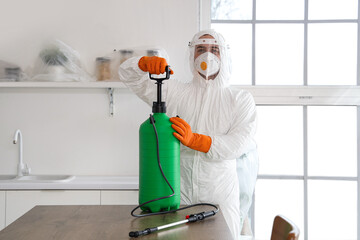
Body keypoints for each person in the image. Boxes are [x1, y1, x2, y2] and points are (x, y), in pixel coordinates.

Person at [118, 29, 258, 239]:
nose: (207, 55)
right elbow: (128, 76)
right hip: (178, 193)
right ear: (191, 54)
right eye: (201, 49)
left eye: (214, 50)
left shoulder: (239, 99)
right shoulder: (175, 92)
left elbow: (240, 143)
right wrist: (141, 64)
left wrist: (197, 140)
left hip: (218, 194)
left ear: (225, 55)